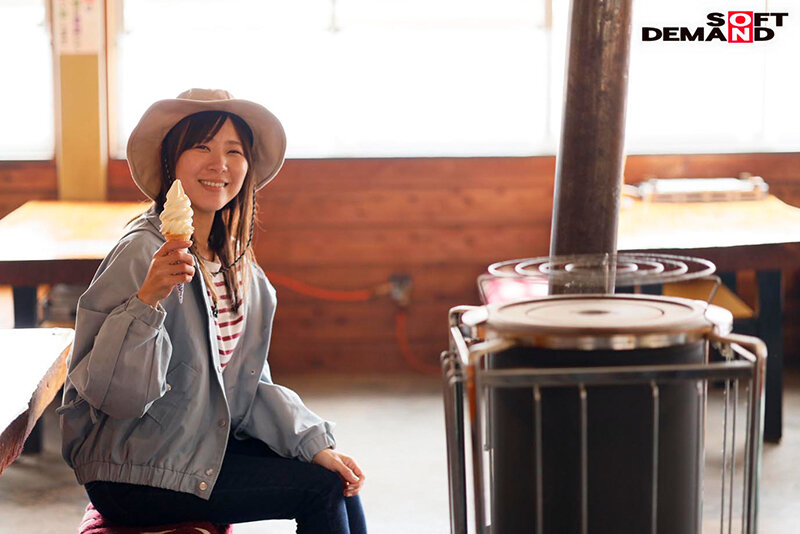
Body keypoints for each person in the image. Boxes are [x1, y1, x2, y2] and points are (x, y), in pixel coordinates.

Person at [58, 89, 367, 533]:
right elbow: (116, 398)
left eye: (234, 151)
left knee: (335, 478)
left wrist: (314, 444)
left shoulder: (239, 267)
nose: (219, 163)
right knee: (316, 491)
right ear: (171, 161)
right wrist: (147, 301)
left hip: (197, 444)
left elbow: (250, 388)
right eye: (201, 147)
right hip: (129, 466)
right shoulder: (142, 253)